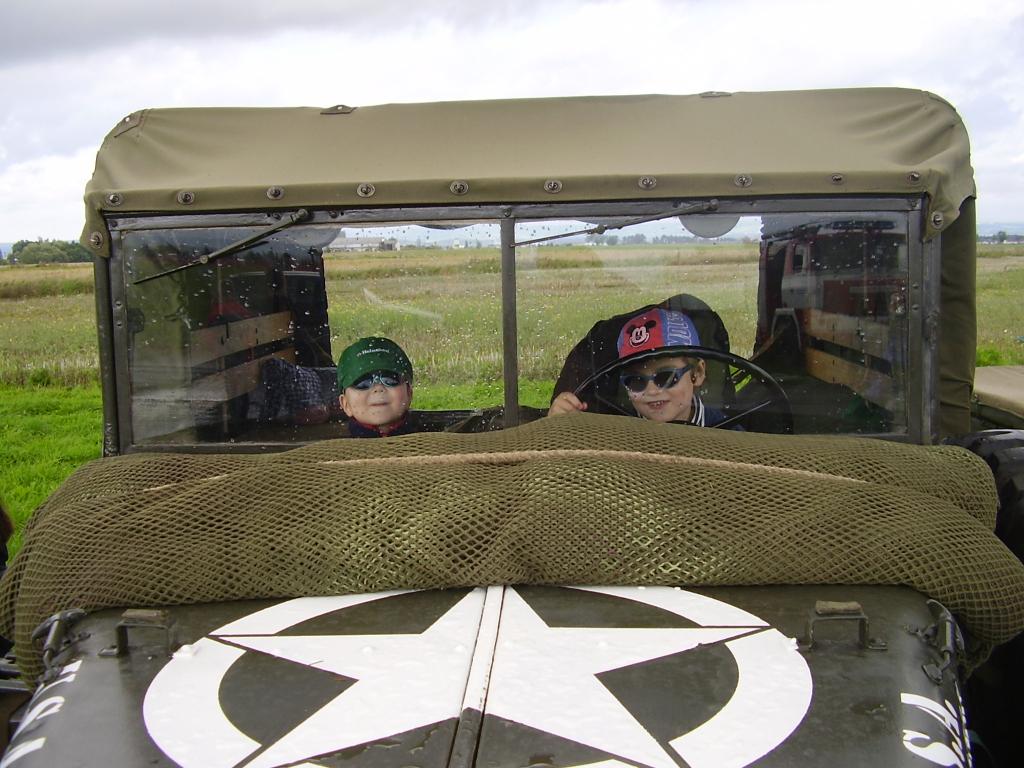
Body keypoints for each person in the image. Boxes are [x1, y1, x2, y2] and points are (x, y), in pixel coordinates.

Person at [548, 307, 735, 427]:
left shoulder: (729, 432)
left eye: (666, 377)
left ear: (697, 373)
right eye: (636, 381)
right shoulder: (616, 431)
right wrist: (558, 426)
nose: (651, 391)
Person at [336, 337, 416, 437]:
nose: (378, 388)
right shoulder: (334, 446)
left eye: (390, 379)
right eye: (362, 383)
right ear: (346, 404)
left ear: (409, 393)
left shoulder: (429, 440)